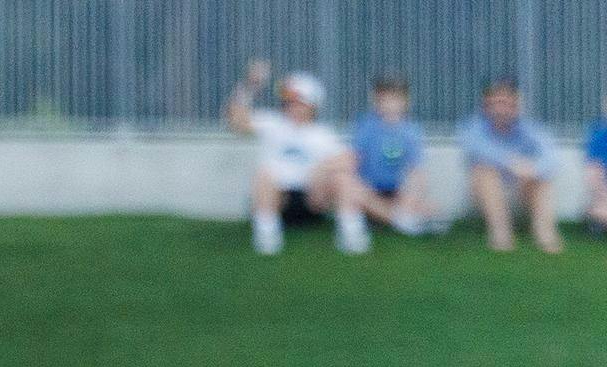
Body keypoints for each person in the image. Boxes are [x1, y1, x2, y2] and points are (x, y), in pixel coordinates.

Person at [225, 60, 369, 255]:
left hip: (312, 200)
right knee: (264, 175)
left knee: (343, 177)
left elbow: (351, 159)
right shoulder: (272, 123)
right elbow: (235, 120)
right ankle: (267, 234)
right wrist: (250, 85)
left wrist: (321, 170)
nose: (291, 106)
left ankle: (351, 233)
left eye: (297, 102)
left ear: (312, 105)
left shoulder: (322, 134)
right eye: (288, 102)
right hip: (279, 200)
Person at [460, 78, 562, 253]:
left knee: (541, 176)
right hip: (486, 193)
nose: (502, 108)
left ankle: (544, 231)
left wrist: (532, 169)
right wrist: (511, 163)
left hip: (521, 187)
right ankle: (501, 232)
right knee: (484, 170)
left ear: (516, 104)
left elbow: (552, 158)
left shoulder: (529, 129)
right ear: (486, 105)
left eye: (508, 102)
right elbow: (476, 150)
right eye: (497, 102)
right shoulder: (473, 128)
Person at [348, 74, 441, 236]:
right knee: (355, 192)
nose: (390, 105)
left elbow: (416, 169)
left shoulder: (412, 130)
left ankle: (397, 216)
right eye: (384, 100)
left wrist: (410, 197)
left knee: (432, 208)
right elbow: (355, 159)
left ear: (405, 102)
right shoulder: (366, 126)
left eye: (395, 99)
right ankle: (399, 220)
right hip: (371, 189)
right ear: (376, 102)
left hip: (397, 191)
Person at [583, 96, 607, 237]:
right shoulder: (598, 134)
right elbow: (593, 173)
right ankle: (595, 216)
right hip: (603, 193)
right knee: (600, 211)